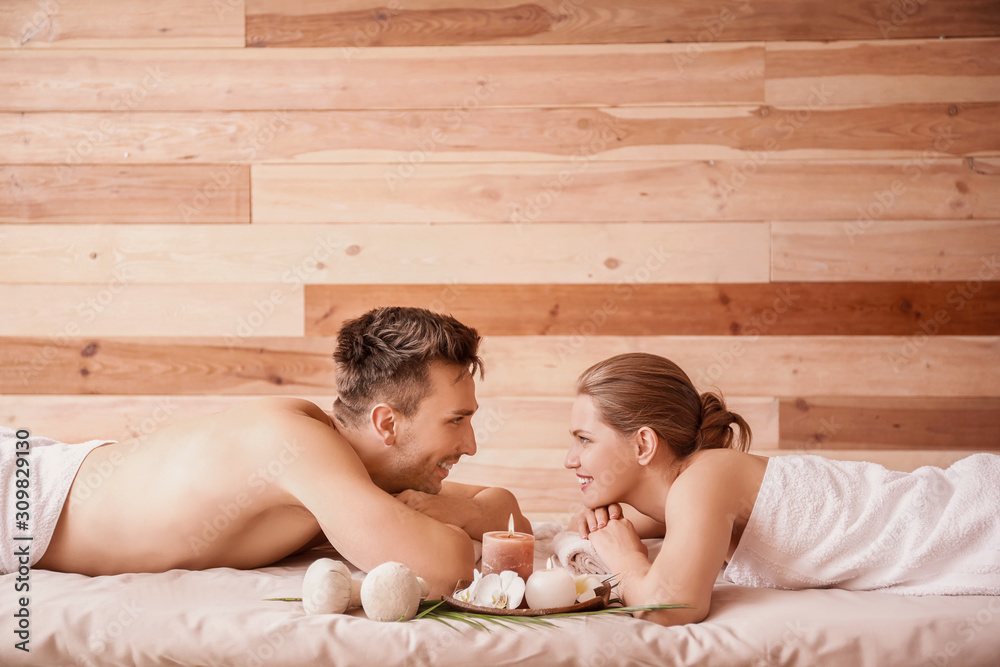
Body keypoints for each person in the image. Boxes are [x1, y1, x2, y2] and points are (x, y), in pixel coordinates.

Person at [2, 307, 530, 597]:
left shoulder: (355, 471)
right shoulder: (296, 445)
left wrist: (447, 509)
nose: (470, 444)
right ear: (386, 423)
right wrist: (443, 525)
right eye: (456, 421)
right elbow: (444, 569)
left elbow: (509, 515)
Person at [565, 352, 1000, 626]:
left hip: (976, 513)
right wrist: (600, 519)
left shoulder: (706, 478)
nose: (570, 459)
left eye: (584, 439)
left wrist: (625, 560)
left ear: (643, 443)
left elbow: (671, 605)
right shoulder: (690, 489)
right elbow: (645, 523)